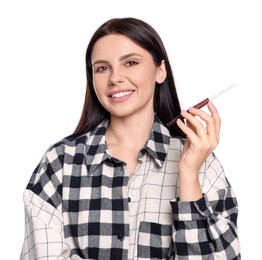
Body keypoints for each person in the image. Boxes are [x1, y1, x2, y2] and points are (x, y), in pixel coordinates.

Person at [20, 17, 241, 259]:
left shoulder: (202, 164)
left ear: (160, 71)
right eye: (102, 68)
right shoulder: (60, 163)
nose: (115, 78)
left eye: (131, 62)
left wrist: (188, 174)